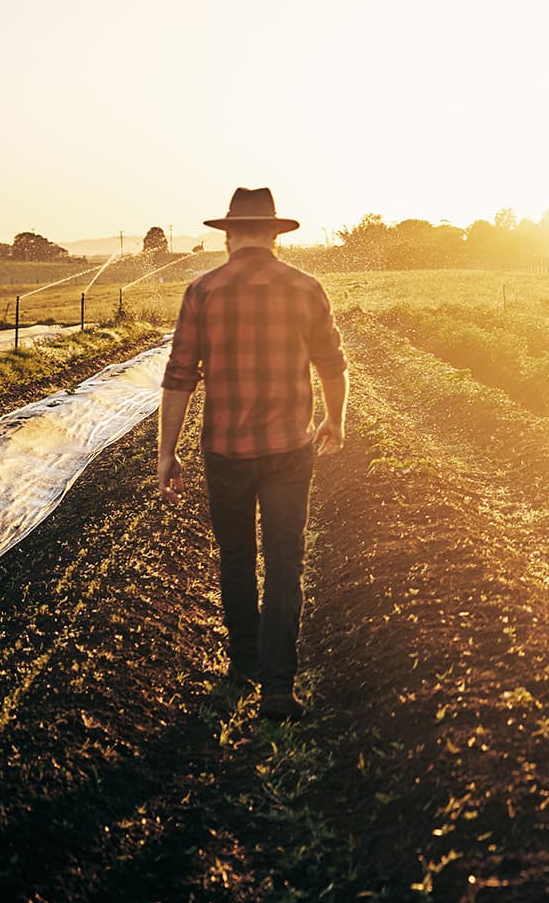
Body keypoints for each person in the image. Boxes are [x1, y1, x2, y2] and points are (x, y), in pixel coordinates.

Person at [156, 187, 347, 721]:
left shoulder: (203, 291)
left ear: (228, 236)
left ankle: (242, 666)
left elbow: (179, 378)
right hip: (290, 446)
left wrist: (166, 453)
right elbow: (332, 363)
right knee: (285, 559)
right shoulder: (306, 288)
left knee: (237, 557)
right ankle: (278, 688)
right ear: (275, 236)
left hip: (225, 447)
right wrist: (336, 419)